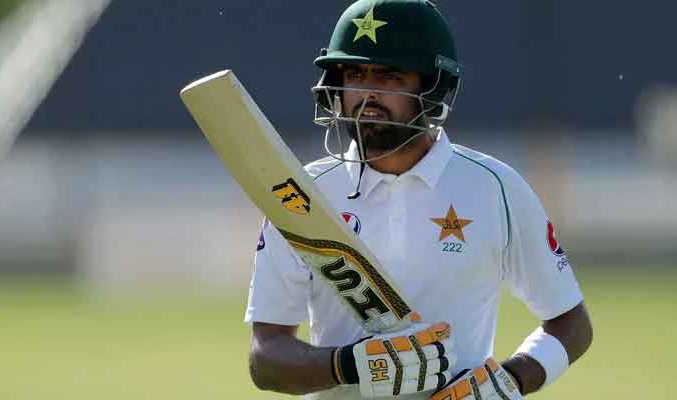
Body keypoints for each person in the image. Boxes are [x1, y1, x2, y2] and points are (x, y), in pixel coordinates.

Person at [244, 1, 593, 399]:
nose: (368, 93)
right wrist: (350, 365)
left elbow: (571, 323)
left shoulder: (495, 188)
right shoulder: (300, 195)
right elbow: (266, 358)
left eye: (390, 76)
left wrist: (513, 379)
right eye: (355, 74)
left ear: (433, 87)